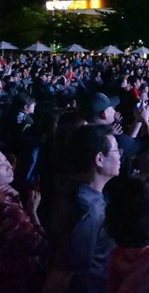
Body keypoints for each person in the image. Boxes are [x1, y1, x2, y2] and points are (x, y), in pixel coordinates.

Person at [49, 124, 122, 293]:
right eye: (117, 151)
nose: (120, 157)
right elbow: (62, 275)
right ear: (99, 159)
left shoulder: (81, 193)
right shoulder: (88, 211)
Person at [0, 150, 48, 293]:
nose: (9, 165)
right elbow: (40, 246)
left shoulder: (8, 196)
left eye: (5, 159)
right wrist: (32, 212)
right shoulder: (8, 210)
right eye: (1, 164)